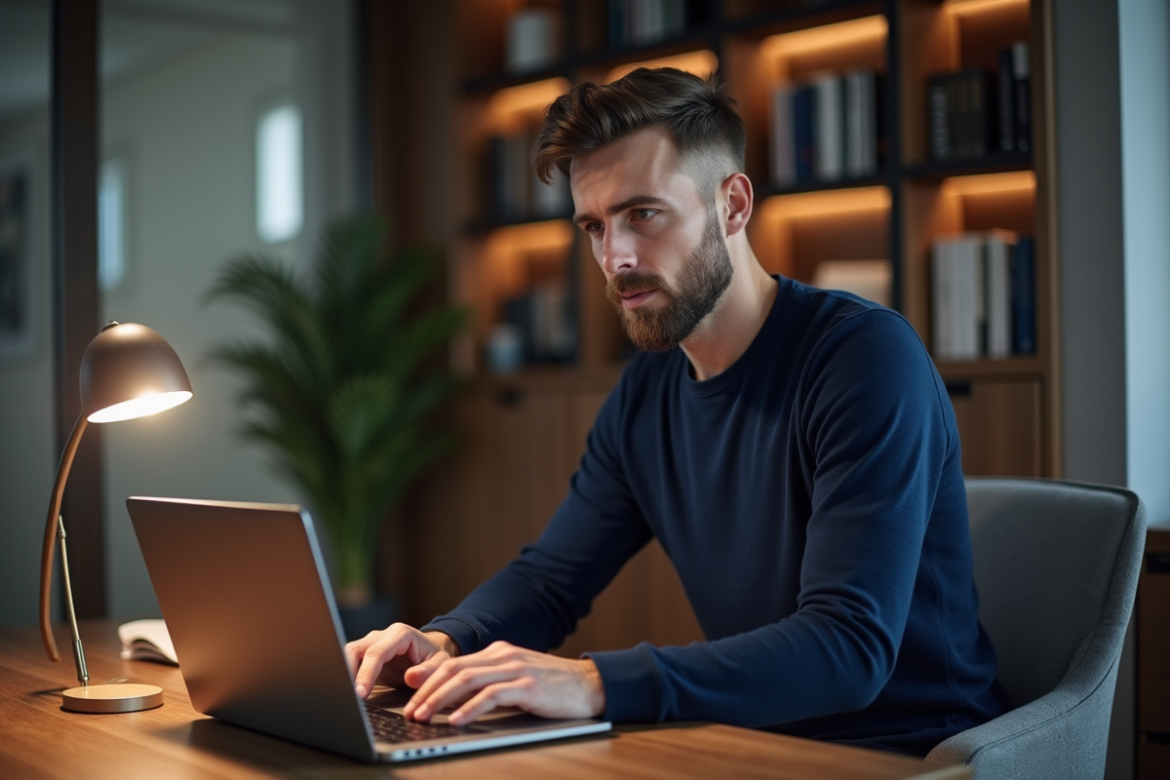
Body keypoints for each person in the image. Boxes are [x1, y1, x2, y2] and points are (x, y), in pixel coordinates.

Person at [344, 67, 1005, 756]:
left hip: (910, 752)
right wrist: (447, 637)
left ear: (734, 205)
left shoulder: (864, 360)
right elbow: (550, 579)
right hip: (751, 743)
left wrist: (593, 683)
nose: (615, 257)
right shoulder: (646, 394)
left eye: (643, 214)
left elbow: (848, 649)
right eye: (594, 226)